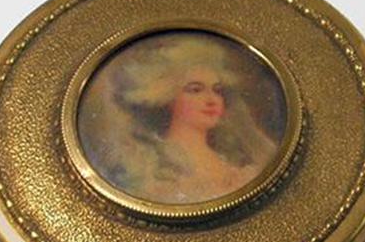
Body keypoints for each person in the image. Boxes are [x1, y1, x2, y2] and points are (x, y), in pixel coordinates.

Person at [77, 32, 280, 204]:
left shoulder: (235, 163)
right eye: (195, 90)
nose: (212, 100)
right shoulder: (148, 163)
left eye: (217, 90)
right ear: (168, 98)